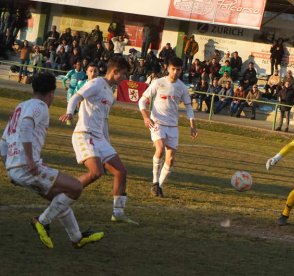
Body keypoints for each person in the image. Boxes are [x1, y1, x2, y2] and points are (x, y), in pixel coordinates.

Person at [0, 72, 104, 249]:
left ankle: (77, 238)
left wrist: (9, 168)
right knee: (76, 188)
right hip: (27, 165)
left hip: (15, 168)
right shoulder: (40, 106)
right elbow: (26, 127)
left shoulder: (20, 106)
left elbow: (3, 143)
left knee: (59, 198)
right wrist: (30, 160)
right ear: (51, 93)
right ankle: (42, 221)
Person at [59, 56, 138, 224]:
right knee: (96, 173)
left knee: (121, 172)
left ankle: (118, 213)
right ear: (114, 72)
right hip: (85, 134)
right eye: (123, 74)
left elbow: (104, 121)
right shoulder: (96, 83)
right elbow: (75, 97)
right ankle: (62, 197)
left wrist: (107, 143)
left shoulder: (110, 94)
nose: (124, 79)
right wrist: (70, 113)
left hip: (100, 138)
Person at [138, 57, 198, 197]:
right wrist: (146, 117)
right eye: (173, 69)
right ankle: (154, 182)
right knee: (159, 148)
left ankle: (159, 185)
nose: (175, 72)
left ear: (181, 70)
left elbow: (189, 108)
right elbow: (142, 100)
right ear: (167, 68)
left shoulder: (182, 87)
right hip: (157, 122)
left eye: (178, 69)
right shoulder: (158, 83)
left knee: (170, 160)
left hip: (173, 126)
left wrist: (192, 126)